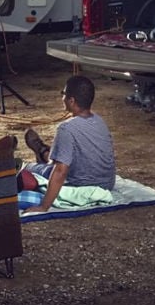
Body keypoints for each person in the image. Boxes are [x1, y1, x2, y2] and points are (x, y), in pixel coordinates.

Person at [21, 75, 116, 212]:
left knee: (30, 168)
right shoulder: (100, 121)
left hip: (79, 185)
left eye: (63, 94)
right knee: (59, 160)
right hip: (107, 184)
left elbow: (60, 171)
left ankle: (43, 153)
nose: (62, 97)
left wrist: (43, 206)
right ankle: (45, 152)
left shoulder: (66, 128)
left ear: (71, 101)